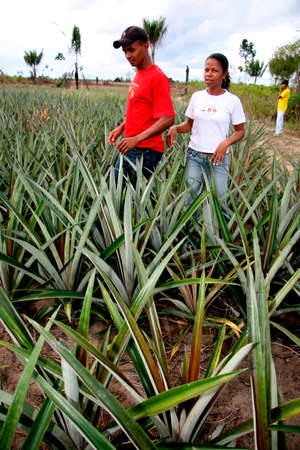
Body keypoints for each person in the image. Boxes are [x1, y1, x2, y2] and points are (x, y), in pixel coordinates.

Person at [166, 53, 246, 216]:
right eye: (206, 69)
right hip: (194, 155)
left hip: (218, 158)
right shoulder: (197, 97)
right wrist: (175, 128)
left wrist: (225, 143)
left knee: (219, 200)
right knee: (190, 200)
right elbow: (189, 125)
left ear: (224, 75)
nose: (209, 73)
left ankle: (218, 236)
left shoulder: (232, 101)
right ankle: (190, 238)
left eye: (214, 70)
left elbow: (240, 131)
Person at [108, 26, 175, 187]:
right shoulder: (139, 73)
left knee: (133, 201)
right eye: (125, 51)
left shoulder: (157, 77)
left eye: (131, 49)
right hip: (131, 146)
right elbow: (142, 111)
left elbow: (168, 118)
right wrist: (122, 128)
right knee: (119, 195)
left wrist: (136, 139)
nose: (128, 55)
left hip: (145, 150)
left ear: (145, 46)